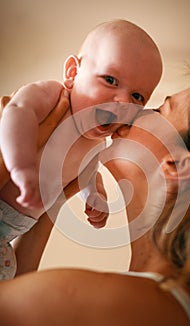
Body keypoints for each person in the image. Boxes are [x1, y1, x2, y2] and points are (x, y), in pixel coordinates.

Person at [0, 72, 190, 326]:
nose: (131, 112)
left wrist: (4, 152)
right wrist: (53, 196)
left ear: (178, 165)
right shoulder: (175, 310)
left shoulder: (109, 303)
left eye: (158, 110)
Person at [0, 19, 162, 279]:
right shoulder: (52, 96)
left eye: (137, 97)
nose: (122, 101)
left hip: (8, 238)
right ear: (73, 73)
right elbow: (16, 113)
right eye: (110, 80)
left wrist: (96, 197)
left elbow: (88, 173)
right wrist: (19, 166)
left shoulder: (97, 143)